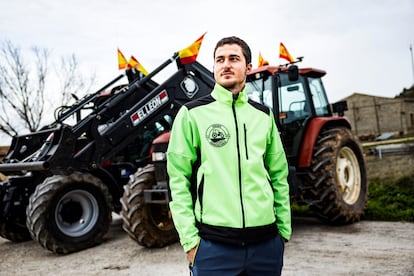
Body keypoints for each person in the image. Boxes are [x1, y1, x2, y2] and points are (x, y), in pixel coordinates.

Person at [167, 36, 291, 275]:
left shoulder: (264, 116)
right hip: (214, 248)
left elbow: (279, 174)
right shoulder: (192, 114)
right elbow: (177, 180)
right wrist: (190, 242)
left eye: (234, 59)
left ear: (248, 68)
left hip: (266, 245)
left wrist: (283, 232)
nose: (226, 65)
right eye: (219, 60)